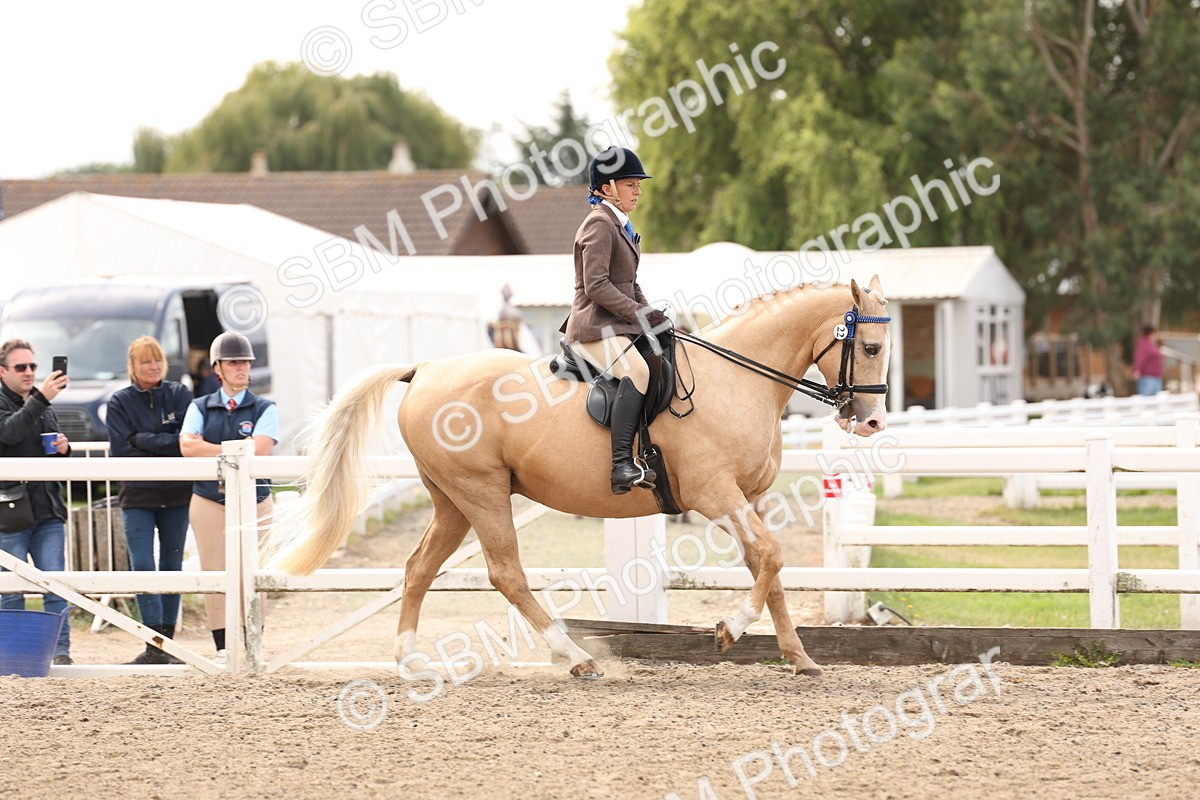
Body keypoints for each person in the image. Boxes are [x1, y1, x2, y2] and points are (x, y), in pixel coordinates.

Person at [559, 146, 669, 494]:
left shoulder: (621, 225)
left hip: (617, 325)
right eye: (631, 184)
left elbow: (630, 283)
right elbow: (596, 286)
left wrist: (654, 317)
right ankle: (621, 464)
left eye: (638, 184)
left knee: (662, 357)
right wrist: (639, 315)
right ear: (607, 188)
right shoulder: (599, 224)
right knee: (636, 371)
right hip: (592, 327)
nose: (638, 190)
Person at [179, 332, 278, 664]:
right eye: (233, 362)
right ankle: (222, 646)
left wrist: (215, 451)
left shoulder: (265, 407)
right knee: (214, 571)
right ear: (217, 368)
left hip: (254, 496)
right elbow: (186, 447)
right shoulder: (199, 406)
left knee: (256, 569)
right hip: (209, 498)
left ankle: (254, 642)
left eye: (245, 362)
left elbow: (262, 447)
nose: (241, 368)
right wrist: (236, 450)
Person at [105, 336, 193, 665]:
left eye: (157, 359)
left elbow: (186, 442)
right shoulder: (119, 401)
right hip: (137, 494)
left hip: (177, 492)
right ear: (133, 366)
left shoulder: (180, 394)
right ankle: (153, 642)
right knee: (141, 564)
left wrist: (142, 438)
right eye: (145, 361)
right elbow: (121, 450)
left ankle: (167, 645)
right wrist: (163, 441)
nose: (153, 366)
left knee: (173, 565)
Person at [0, 339, 73, 664]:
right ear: (2, 372)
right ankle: (13, 657)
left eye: (32, 366)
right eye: (21, 367)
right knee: (10, 590)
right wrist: (42, 398)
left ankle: (60, 653)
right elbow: (10, 433)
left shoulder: (42, 405)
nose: (29, 372)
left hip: (46, 508)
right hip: (9, 509)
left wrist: (63, 448)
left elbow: (42, 449)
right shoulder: (36, 402)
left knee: (56, 585)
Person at [1132, 325, 1164, 397]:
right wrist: (1137, 370)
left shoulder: (1152, 345)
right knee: (1147, 399)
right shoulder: (1144, 345)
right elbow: (1140, 358)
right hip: (1148, 377)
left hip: (1156, 376)